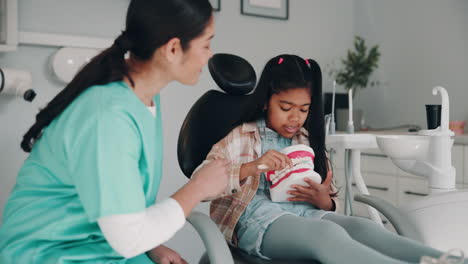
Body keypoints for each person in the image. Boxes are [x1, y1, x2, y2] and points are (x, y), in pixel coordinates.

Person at [0, 0, 230, 263]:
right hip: (49, 255)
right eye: (206, 44)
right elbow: (128, 236)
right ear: (173, 49)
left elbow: (124, 203)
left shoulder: (144, 99)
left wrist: (152, 246)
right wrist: (198, 188)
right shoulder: (108, 115)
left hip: (102, 245)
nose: (210, 55)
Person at [201, 54, 453, 264]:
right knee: (327, 234)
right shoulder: (242, 136)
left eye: (304, 109)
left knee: (364, 228)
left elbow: (330, 201)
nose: (295, 118)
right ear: (266, 102)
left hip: (307, 215)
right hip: (257, 221)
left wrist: (323, 200)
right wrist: (253, 166)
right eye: (286, 108)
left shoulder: (306, 140)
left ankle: (450, 261)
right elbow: (200, 185)